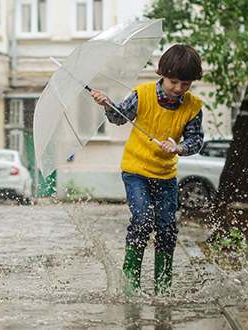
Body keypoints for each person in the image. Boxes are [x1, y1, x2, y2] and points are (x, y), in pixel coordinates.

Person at [90, 44, 204, 296]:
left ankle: (163, 288)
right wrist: (107, 103)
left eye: (186, 84)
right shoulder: (142, 94)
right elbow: (119, 118)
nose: (178, 89)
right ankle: (131, 287)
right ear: (162, 73)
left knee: (166, 228)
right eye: (174, 81)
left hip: (166, 175)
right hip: (136, 171)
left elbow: (196, 140)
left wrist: (179, 147)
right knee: (142, 222)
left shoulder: (193, 106)